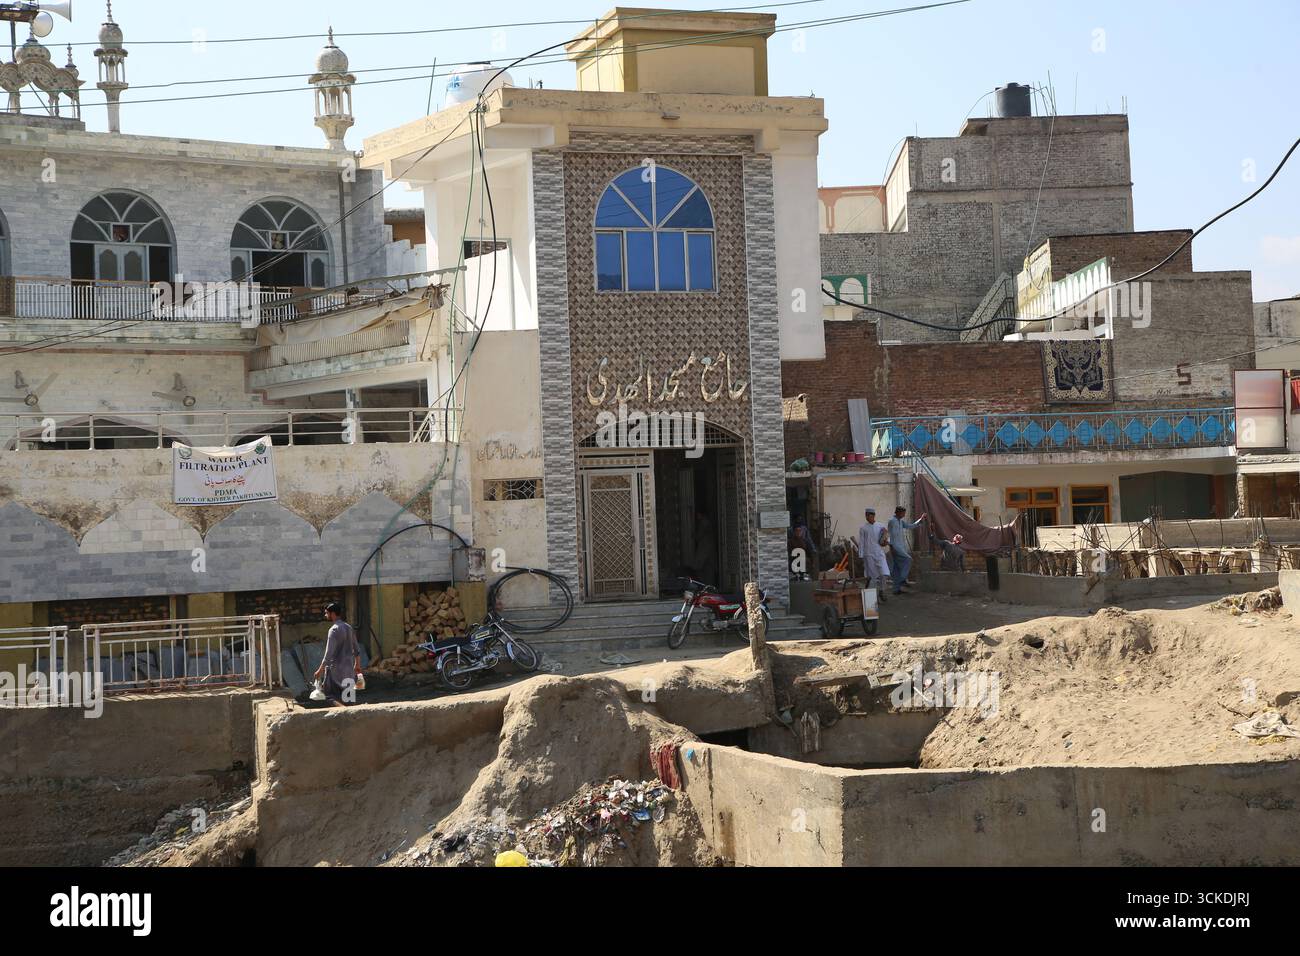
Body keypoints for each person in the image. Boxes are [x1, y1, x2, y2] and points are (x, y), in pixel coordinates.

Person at [313, 602, 361, 706]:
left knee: (330, 696)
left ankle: (343, 711)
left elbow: (328, 655)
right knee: (349, 699)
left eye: (327, 613)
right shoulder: (349, 627)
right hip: (349, 670)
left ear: (333, 614)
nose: (325, 615)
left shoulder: (333, 630)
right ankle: (350, 716)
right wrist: (357, 665)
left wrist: (319, 671)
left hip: (335, 672)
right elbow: (357, 649)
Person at [886, 506, 927, 595]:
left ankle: (896, 590)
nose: (904, 515)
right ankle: (902, 579)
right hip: (896, 547)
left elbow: (910, 526)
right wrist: (891, 547)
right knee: (908, 560)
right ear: (898, 512)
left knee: (897, 568)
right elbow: (890, 536)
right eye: (903, 513)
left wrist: (920, 519)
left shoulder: (900, 521)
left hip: (900, 547)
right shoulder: (892, 521)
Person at [856, 507, 891, 603]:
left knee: (884, 573)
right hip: (868, 555)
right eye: (866, 515)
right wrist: (861, 556)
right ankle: (873, 597)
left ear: (873, 515)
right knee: (872, 576)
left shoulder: (880, 526)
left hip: (879, 553)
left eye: (869, 515)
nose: (867, 517)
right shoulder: (863, 528)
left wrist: (886, 541)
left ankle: (882, 591)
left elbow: (887, 537)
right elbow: (862, 543)